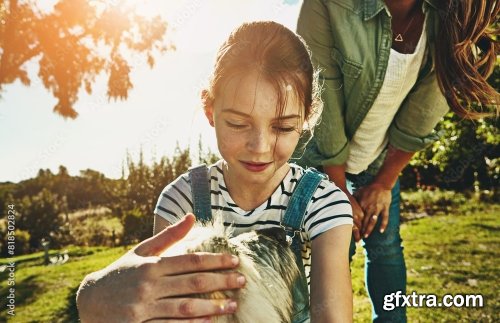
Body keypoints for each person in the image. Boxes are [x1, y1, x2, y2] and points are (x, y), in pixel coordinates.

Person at [77, 21, 354, 322]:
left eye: (283, 127)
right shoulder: (181, 201)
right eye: (238, 123)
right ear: (210, 111)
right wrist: (96, 296)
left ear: (306, 118)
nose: (260, 147)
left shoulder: (324, 204)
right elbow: (166, 308)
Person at [293, 0, 499, 322]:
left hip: (379, 158)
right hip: (319, 159)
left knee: (386, 247)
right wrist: (337, 190)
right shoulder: (327, 5)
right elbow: (323, 100)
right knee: (332, 246)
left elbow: (421, 116)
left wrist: (384, 183)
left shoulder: (451, 21)